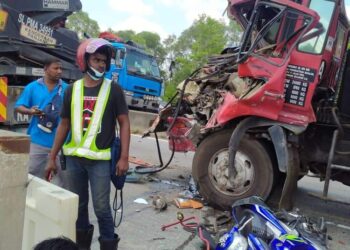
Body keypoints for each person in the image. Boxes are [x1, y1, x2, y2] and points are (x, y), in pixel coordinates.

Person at [46, 38, 130, 250]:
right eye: (96, 59)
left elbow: (125, 122)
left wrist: (124, 157)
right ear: (84, 61)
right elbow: (64, 124)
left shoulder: (114, 89)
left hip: (100, 161)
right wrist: (52, 156)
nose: (101, 64)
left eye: (104, 61)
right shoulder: (71, 90)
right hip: (74, 161)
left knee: (102, 209)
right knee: (79, 207)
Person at [15, 58, 68, 186]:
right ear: (45, 69)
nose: (59, 71)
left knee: (64, 183)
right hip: (37, 142)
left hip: (62, 144)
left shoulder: (67, 89)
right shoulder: (32, 87)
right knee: (29, 178)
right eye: (56, 68)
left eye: (61, 68)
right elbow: (18, 106)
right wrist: (30, 111)